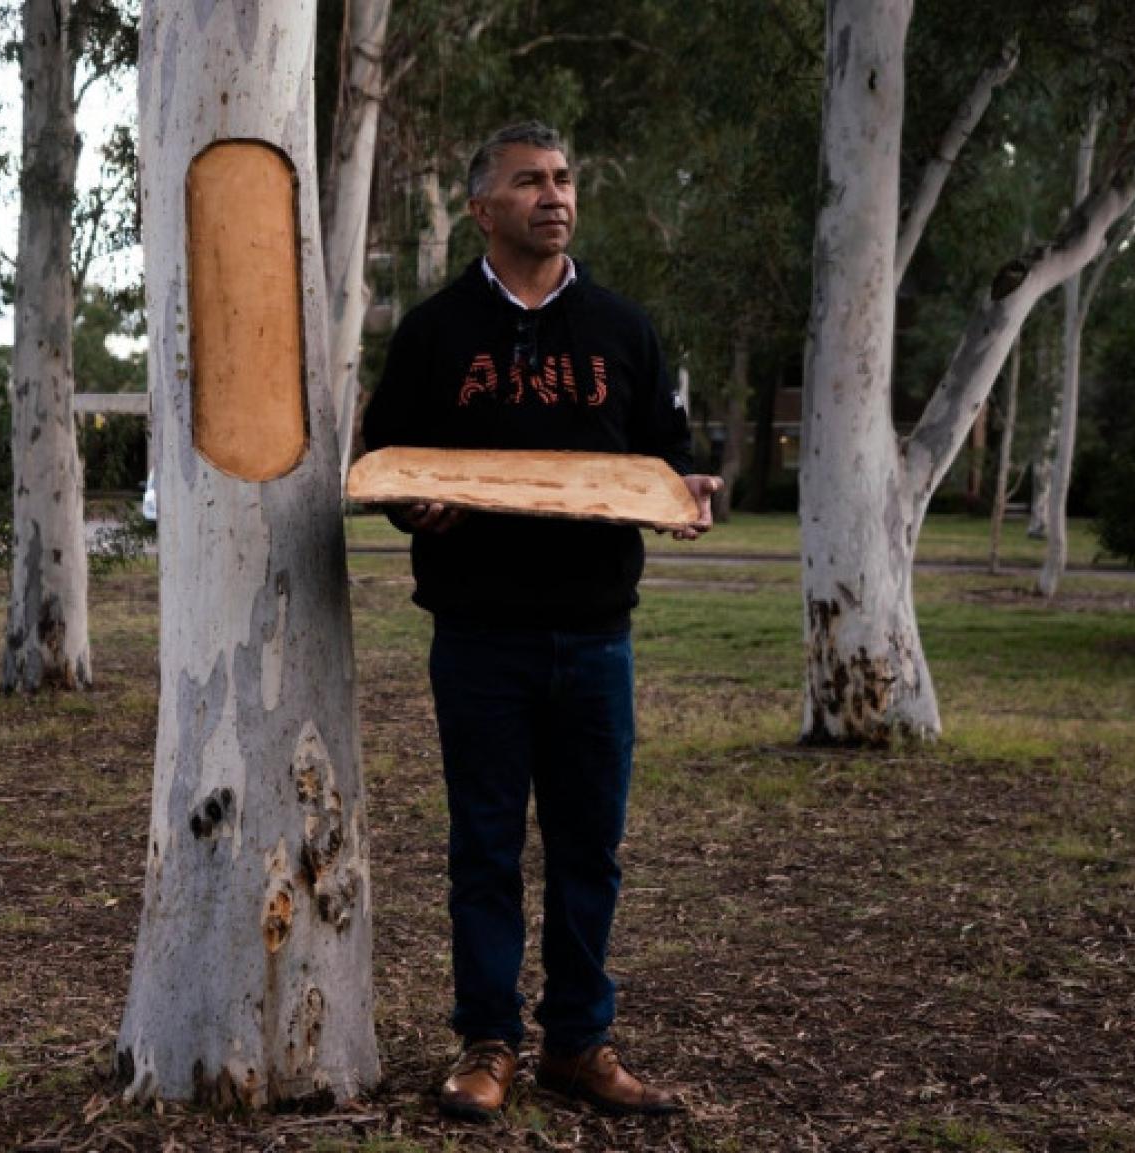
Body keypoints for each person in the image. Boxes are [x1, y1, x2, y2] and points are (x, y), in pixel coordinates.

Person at [359, 121, 723, 1122]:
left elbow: (664, 453)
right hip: (478, 635)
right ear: (483, 209)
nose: (553, 196)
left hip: (595, 634)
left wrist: (686, 489)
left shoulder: (621, 327)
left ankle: (576, 1044)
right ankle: (487, 1041)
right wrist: (409, 505)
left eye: (562, 179)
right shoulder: (435, 332)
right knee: (483, 847)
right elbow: (388, 458)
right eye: (528, 183)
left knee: (586, 849)